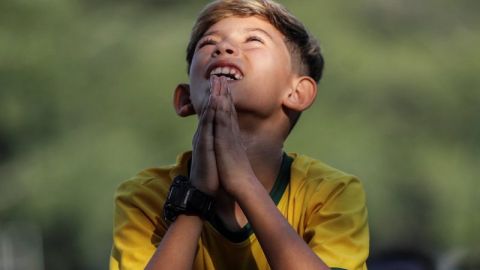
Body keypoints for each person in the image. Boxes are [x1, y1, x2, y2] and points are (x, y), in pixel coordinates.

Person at [109, 0, 369, 269]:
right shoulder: (145, 197)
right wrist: (194, 199)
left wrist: (244, 184)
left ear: (297, 93)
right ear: (185, 99)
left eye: (254, 40)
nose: (223, 47)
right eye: (208, 43)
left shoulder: (331, 192)